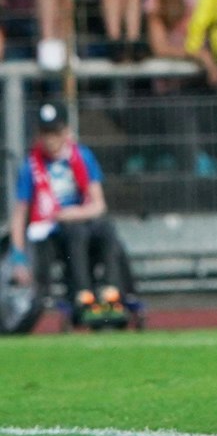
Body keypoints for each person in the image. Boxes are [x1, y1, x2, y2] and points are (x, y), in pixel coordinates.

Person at [8, 100, 138, 327]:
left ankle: (111, 291)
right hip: (53, 234)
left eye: (55, 133)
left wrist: (72, 213)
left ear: (66, 132)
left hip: (82, 222)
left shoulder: (82, 157)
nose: (50, 139)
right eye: (45, 133)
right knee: (75, 232)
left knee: (106, 229)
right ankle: (82, 294)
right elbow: (19, 215)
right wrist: (19, 259)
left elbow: (99, 205)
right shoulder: (30, 167)